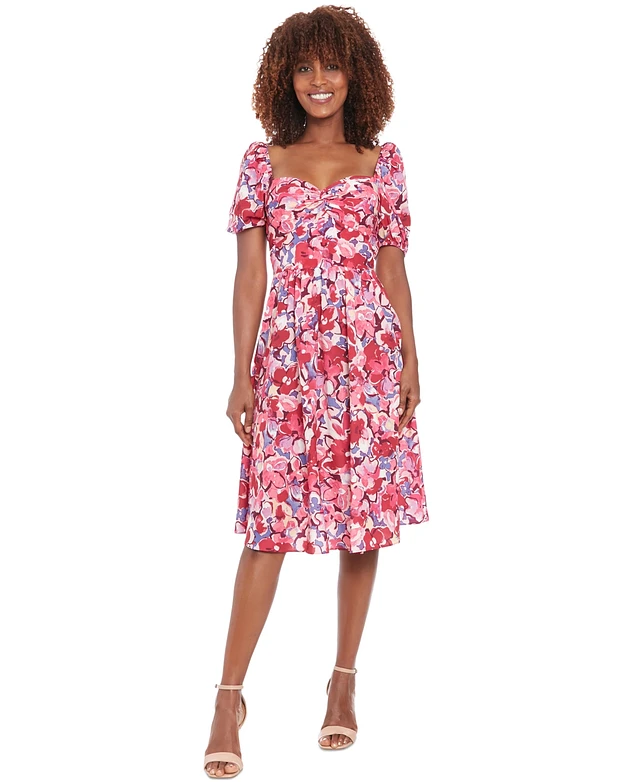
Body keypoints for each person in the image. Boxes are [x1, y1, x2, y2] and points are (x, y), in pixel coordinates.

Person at [204, 5, 429, 778]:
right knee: (268, 530)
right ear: (286, 77)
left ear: (356, 73)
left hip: (368, 356)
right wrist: (241, 373)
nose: (319, 80)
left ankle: (342, 681)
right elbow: (250, 276)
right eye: (304, 67)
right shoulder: (262, 162)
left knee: (363, 527)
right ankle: (227, 698)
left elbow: (392, 269)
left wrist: (412, 358)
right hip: (289, 362)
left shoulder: (383, 161)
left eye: (332, 65)